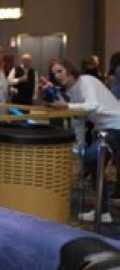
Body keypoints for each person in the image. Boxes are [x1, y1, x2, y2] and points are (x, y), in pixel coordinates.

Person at [42, 58, 120, 223]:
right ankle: (103, 211)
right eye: (54, 73)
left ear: (69, 69)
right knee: (93, 162)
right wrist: (80, 145)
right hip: (105, 129)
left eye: (60, 71)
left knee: (93, 158)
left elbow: (93, 105)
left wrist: (67, 106)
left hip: (115, 126)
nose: (57, 76)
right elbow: (78, 120)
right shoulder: (71, 92)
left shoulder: (86, 81)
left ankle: (103, 210)